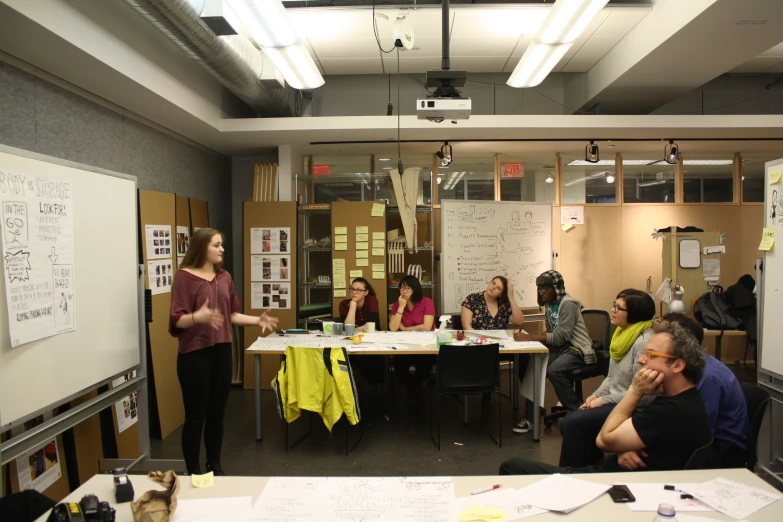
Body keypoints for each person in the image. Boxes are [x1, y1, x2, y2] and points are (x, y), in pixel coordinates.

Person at [500, 323, 712, 475]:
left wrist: (635, 391)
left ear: (677, 365)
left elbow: (605, 440)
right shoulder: (682, 399)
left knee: (512, 467)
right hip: (615, 472)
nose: (641, 360)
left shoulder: (670, 411)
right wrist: (624, 448)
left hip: (612, 486)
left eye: (651, 355)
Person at [169, 228, 278, 476]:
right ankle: (193, 471)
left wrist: (255, 321)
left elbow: (230, 314)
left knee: (217, 415)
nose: (222, 249)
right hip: (194, 355)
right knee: (196, 417)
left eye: (221, 245)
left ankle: (214, 466)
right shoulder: (184, 277)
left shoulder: (224, 277)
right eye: (216, 245)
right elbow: (176, 321)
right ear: (202, 248)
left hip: (221, 352)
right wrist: (197, 317)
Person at [617, 313, 748, 471]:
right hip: (697, 441)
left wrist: (634, 443)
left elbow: (694, 431)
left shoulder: (706, 377)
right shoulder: (692, 369)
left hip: (718, 452)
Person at [559, 289, 656, 467]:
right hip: (615, 400)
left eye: (619, 308)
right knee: (568, 423)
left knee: (573, 423)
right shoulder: (621, 335)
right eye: (614, 305)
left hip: (633, 405)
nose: (613, 310)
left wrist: (604, 400)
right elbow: (611, 377)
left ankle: (571, 476)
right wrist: (595, 395)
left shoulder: (643, 342)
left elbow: (643, 394)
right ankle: (592, 468)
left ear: (634, 314)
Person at [511, 270, 595, 434]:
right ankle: (531, 418)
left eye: (545, 288)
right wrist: (540, 337)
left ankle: (581, 414)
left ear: (556, 288)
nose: (541, 291)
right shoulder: (549, 305)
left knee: (554, 370)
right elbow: (550, 331)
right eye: (539, 288)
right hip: (560, 348)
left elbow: (561, 336)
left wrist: (529, 338)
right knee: (534, 366)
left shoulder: (568, 305)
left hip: (576, 349)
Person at [390, 275, 436, 396]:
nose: (404, 291)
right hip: (404, 346)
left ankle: (413, 390)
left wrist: (405, 329)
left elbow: (426, 326)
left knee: (424, 369)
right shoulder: (396, 305)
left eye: (408, 288)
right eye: (402, 288)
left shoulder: (426, 302)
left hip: (424, 345)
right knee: (399, 370)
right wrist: (401, 306)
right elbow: (393, 328)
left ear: (415, 290)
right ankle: (416, 389)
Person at [339, 278, 384, 386]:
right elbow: (347, 329)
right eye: (352, 289)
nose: (354, 292)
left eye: (359, 290)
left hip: (372, 342)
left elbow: (372, 324)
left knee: (367, 362)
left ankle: (368, 388)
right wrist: (353, 305)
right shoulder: (344, 304)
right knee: (351, 360)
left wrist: (355, 329)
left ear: (366, 292)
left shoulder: (372, 300)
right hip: (351, 343)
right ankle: (358, 388)